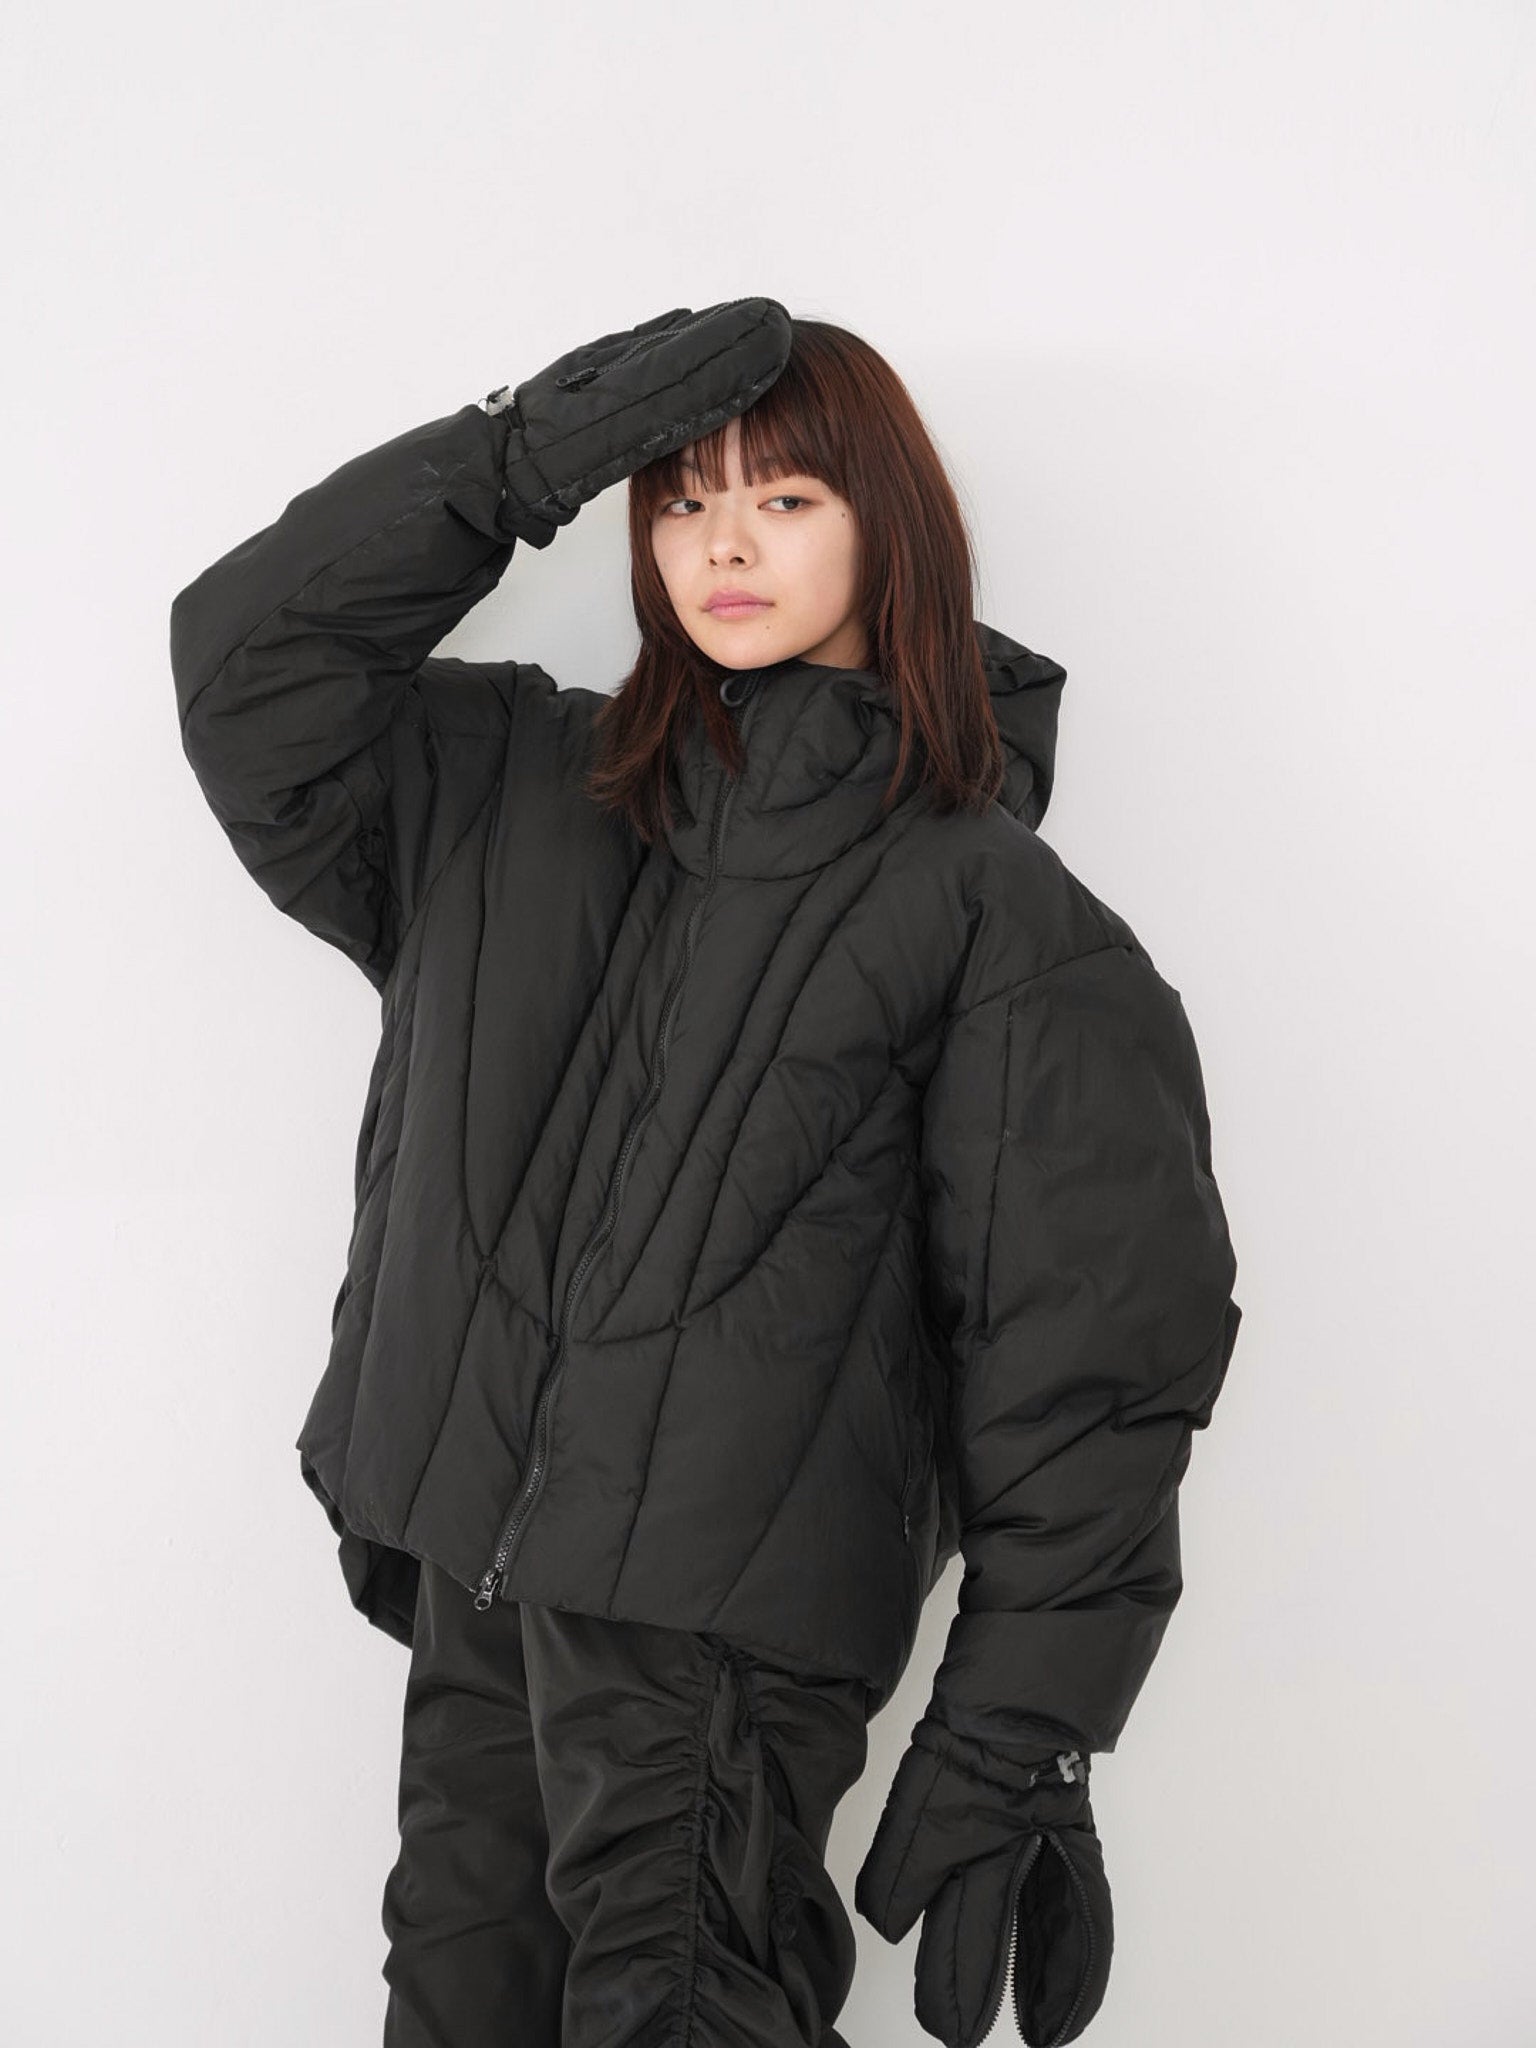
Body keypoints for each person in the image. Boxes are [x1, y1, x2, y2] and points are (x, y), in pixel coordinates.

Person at [168, 299, 1243, 2048]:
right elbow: (245, 677)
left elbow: (1091, 1354)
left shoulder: (990, 913)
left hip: (714, 1666)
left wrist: (1019, 1730)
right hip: (481, 1590)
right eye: (681, 499)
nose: (724, 544)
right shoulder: (517, 788)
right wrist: (514, 460)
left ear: (890, 527)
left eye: (788, 499)